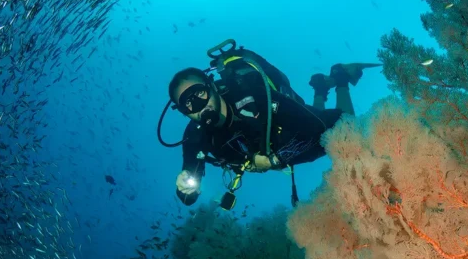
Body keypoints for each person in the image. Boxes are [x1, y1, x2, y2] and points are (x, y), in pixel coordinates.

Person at [161, 41, 378, 209]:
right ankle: (321, 87)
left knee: (348, 127)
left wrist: (273, 160)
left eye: (199, 94)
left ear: (213, 87)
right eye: (187, 105)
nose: (198, 106)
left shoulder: (252, 94)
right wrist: (185, 187)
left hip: (298, 130)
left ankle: (340, 78)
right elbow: (189, 197)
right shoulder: (195, 137)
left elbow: (312, 127)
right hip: (282, 153)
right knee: (318, 118)